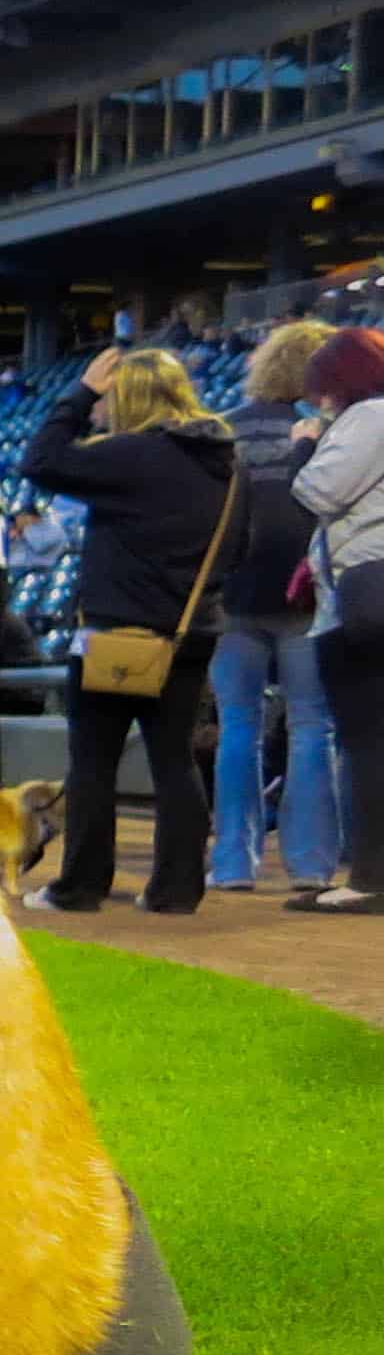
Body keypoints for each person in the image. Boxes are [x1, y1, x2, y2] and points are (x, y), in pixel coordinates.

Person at [22, 344, 237, 914]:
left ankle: (81, 887)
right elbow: (242, 545)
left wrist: (81, 393)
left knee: (93, 761)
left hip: (117, 634)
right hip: (191, 631)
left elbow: (39, 460)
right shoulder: (225, 460)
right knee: (175, 758)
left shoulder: (129, 454)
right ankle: (176, 890)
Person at [211, 319, 343, 892]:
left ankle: (234, 864)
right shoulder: (336, 430)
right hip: (307, 595)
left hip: (234, 594)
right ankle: (312, 865)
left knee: (237, 724)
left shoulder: (225, 430)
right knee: (313, 727)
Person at [289, 324, 384, 914]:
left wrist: (305, 443)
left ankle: (371, 878)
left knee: (367, 742)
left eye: (322, 390)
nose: (318, 402)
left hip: (370, 585)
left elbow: (317, 492)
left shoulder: (370, 414)